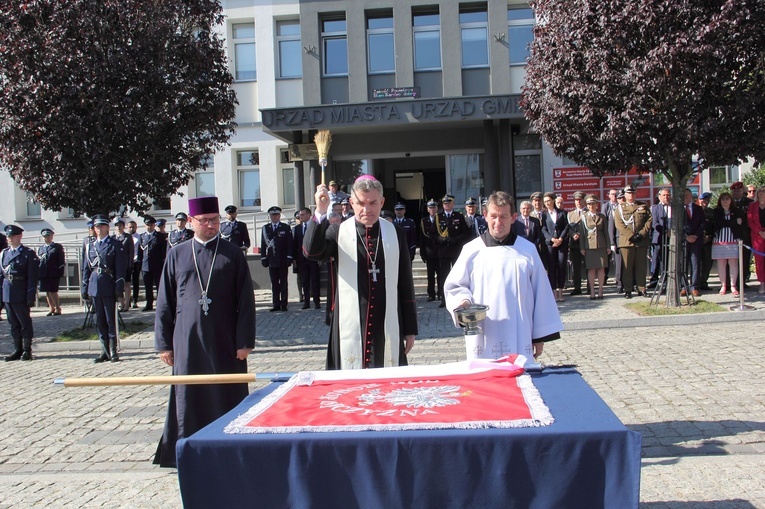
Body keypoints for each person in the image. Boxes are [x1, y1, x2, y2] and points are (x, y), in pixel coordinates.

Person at [154, 196, 256, 468]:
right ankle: (187, 449)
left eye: (215, 220)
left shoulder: (232, 253)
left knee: (227, 392)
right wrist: (164, 344)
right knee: (189, 395)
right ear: (191, 222)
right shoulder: (176, 254)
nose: (211, 225)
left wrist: (244, 341)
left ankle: (231, 446)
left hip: (226, 340)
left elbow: (246, 301)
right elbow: (165, 300)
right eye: (205, 221)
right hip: (187, 340)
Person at [303, 176, 418, 370]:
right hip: (347, 323)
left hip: (387, 321)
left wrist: (410, 329)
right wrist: (321, 211)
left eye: (373, 203)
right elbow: (311, 252)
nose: (367, 209)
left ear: (382, 202)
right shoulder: (337, 231)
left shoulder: (395, 233)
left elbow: (405, 282)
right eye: (361, 203)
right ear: (351, 203)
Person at [444, 191, 562, 361]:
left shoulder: (527, 250)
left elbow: (541, 293)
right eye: (493, 216)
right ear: (485, 215)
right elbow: (455, 286)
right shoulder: (471, 250)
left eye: (503, 217)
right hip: (483, 332)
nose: (498, 222)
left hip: (520, 333)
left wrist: (539, 336)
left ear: (514, 217)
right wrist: (463, 301)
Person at [82, 215, 126, 363]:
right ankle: (104, 350)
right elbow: (86, 269)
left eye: (102, 226)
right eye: (96, 227)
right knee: (99, 320)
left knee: (110, 320)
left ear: (107, 227)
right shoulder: (90, 246)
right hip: (94, 285)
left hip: (108, 284)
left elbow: (120, 268)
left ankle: (114, 350)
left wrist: (118, 288)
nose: (99, 229)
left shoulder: (115, 244)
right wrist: (84, 287)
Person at [1, 225, 39, 361]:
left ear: (19, 236)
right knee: (13, 323)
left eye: (12, 236)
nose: (9, 239)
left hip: (20, 292)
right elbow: (2, 275)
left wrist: (30, 294)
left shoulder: (27, 253)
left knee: (24, 322)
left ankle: (27, 350)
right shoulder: (4, 253)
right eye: (8, 237)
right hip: (7, 292)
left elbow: (32, 277)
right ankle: (17, 349)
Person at [614, 186, 652, 299]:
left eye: (633, 193)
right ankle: (628, 289)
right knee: (627, 267)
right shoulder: (620, 208)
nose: (631, 195)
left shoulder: (642, 206)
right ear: (625, 195)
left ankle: (642, 288)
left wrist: (641, 234)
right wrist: (631, 236)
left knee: (641, 266)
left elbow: (649, 220)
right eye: (628, 193)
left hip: (641, 240)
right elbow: (619, 224)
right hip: (627, 241)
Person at [435, 194, 468, 308]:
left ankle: (457, 299)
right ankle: (444, 300)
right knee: (443, 276)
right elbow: (433, 234)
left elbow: (465, 233)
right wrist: (441, 239)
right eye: (445, 203)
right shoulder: (438, 217)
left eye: (449, 203)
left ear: (453, 204)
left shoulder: (459, 216)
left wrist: (455, 240)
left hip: (455, 250)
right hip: (443, 251)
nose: (447, 205)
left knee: (458, 276)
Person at [260, 206, 293, 312]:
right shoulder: (265, 228)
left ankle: (284, 304)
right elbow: (263, 244)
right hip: (272, 260)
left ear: (279, 216)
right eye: (272, 215)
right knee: (274, 283)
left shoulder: (285, 227)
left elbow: (289, 243)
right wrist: (263, 257)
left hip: (283, 259)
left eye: (276, 215)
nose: (274, 217)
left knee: (283, 282)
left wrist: (289, 257)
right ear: (270, 216)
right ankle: (276, 304)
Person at [712, 192, 744, 295]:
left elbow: (741, 224)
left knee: (733, 262)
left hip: (733, 240)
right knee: (721, 263)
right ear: (720, 201)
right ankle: (723, 285)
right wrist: (734, 222)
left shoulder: (737, 211)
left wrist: (732, 223)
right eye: (723, 199)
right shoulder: (716, 211)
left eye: (727, 199)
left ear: (731, 200)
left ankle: (733, 286)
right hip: (720, 241)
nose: (725, 201)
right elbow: (720, 223)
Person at [579, 195, 610, 300]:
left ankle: (600, 290)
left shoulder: (602, 216)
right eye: (589, 204)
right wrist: (582, 248)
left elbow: (606, 232)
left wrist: (608, 246)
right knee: (591, 270)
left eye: (593, 204)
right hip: (589, 246)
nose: (591, 206)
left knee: (601, 269)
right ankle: (592, 290)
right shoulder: (584, 217)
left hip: (601, 245)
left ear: (597, 205)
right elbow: (582, 234)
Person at [541, 192, 569, 302]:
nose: (547, 203)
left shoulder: (562, 213)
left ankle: (561, 291)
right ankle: (553, 292)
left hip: (562, 243)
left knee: (561, 266)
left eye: (549, 200)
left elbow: (566, 227)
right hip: (550, 244)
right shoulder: (544, 214)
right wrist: (552, 239)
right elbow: (543, 229)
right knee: (551, 267)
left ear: (553, 200)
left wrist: (560, 239)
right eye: (545, 201)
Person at [292, 208, 321, 310]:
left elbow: (319, 243)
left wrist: (320, 257)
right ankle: (306, 302)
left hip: (314, 258)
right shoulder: (297, 229)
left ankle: (317, 302)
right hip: (302, 259)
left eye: (303, 215)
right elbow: (294, 245)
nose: (301, 217)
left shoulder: (315, 227)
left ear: (309, 215)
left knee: (315, 281)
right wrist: (294, 259)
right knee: (305, 281)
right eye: (300, 215)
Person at [138, 215, 166, 311]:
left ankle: (160, 303)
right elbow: (140, 253)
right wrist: (139, 265)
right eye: (147, 225)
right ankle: (149, 304)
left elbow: (163, 252)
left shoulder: (160, 236)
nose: (149, 227)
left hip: (157, 265)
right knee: (147, 287)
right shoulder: (142, 237)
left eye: (151, 225)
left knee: (159, 286)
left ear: (154, 225)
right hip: (145, 266)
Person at [682, 188, 705, 297]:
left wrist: (695, 235)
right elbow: (676, 225)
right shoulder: (678, 209)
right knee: (683, 264)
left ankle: (694, 287)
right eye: (683, 195)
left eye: (687, 195)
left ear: (691, 196)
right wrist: (686, 236)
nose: (685, 197)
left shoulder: (699, 209)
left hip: (696, 240)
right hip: (684, 240)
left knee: (695, 263)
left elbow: (702, 224)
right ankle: (683, 287)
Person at [37, 228, 65, 316]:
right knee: (47, 291)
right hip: (43, 272)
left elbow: (61, 260)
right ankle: (51, 308)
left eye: (48, 236)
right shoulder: (41, 248)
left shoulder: (57, 247)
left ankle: (57, 307)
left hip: (53, 272)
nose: (47, 238)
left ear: (52, 236)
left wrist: (61, 271)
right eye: (45, 236)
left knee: (53, 290)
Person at [648, 188, 672, 289]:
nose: (666, 197)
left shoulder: (674, 208)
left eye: (668, 195)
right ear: (659, 197)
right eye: (664, 195)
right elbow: (655, 223)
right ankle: (654, 280)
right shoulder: (655, 208)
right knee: (656, 259)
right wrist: (666, 231)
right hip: (658, 237)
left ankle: (665, 280)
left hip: (671, 238)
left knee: (667, 260)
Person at [731, 182, 754, 284]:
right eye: (734, 190)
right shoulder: (728, 201)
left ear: (743, 191)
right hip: (731, 235)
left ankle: (742, 281)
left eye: (739, 190)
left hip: (745, 235)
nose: (736, 192)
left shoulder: (750, 203)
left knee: (744, 259)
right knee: (731, 260)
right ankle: (730, 282)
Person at [419, 199, 441, 302]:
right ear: (428, 209)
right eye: (430, 207)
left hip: (440, 252)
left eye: (434, 207)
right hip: (429, 252)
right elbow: (422, 239)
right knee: (430, 275)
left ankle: (440, 293)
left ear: (437, 208)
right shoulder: (424, 221)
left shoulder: (441, 219)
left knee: (440, 275)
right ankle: (431, 294)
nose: (432, 209)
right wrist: (423, 254)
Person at [566, 191, 587, 296]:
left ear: (584, 200)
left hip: (587, 243)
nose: (578, 202)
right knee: (576, 267)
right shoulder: (570, 214)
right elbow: (568, 228)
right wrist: (573, 234)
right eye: (576, 200)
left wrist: (579, 233)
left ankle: (589, 287)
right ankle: (577, 287)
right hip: (575, 244)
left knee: (588, 266)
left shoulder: (588, 212)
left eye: (580, 200)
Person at [112, 219, 135, 312]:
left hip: (125, 265)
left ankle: (127, 304)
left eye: (120, 225)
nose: (118, 227)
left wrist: (130, 264)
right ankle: (121, 304)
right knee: (118, 285)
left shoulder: (127, 237)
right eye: (117, 225)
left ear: (123, 226)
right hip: (116, 266)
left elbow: (131, 251)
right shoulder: (113, 237)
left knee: (126, 285)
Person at [747, 186, 765, 294]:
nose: (761, 193)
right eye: (760, 191)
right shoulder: (752, 206)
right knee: (759, 261)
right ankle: (762, 283)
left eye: (763, 191)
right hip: (757, 236)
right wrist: (760, 232)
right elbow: (750, 221)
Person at [127, 220, 141, 308]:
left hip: (136, 261)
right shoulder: (125, 237)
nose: (131, 228)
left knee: (135, 282)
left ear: (136, 227)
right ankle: (127, 301)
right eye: (130, 227)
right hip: (127, 262)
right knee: (126, 283)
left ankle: (135, 300)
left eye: (133, 227)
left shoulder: (139, 237)